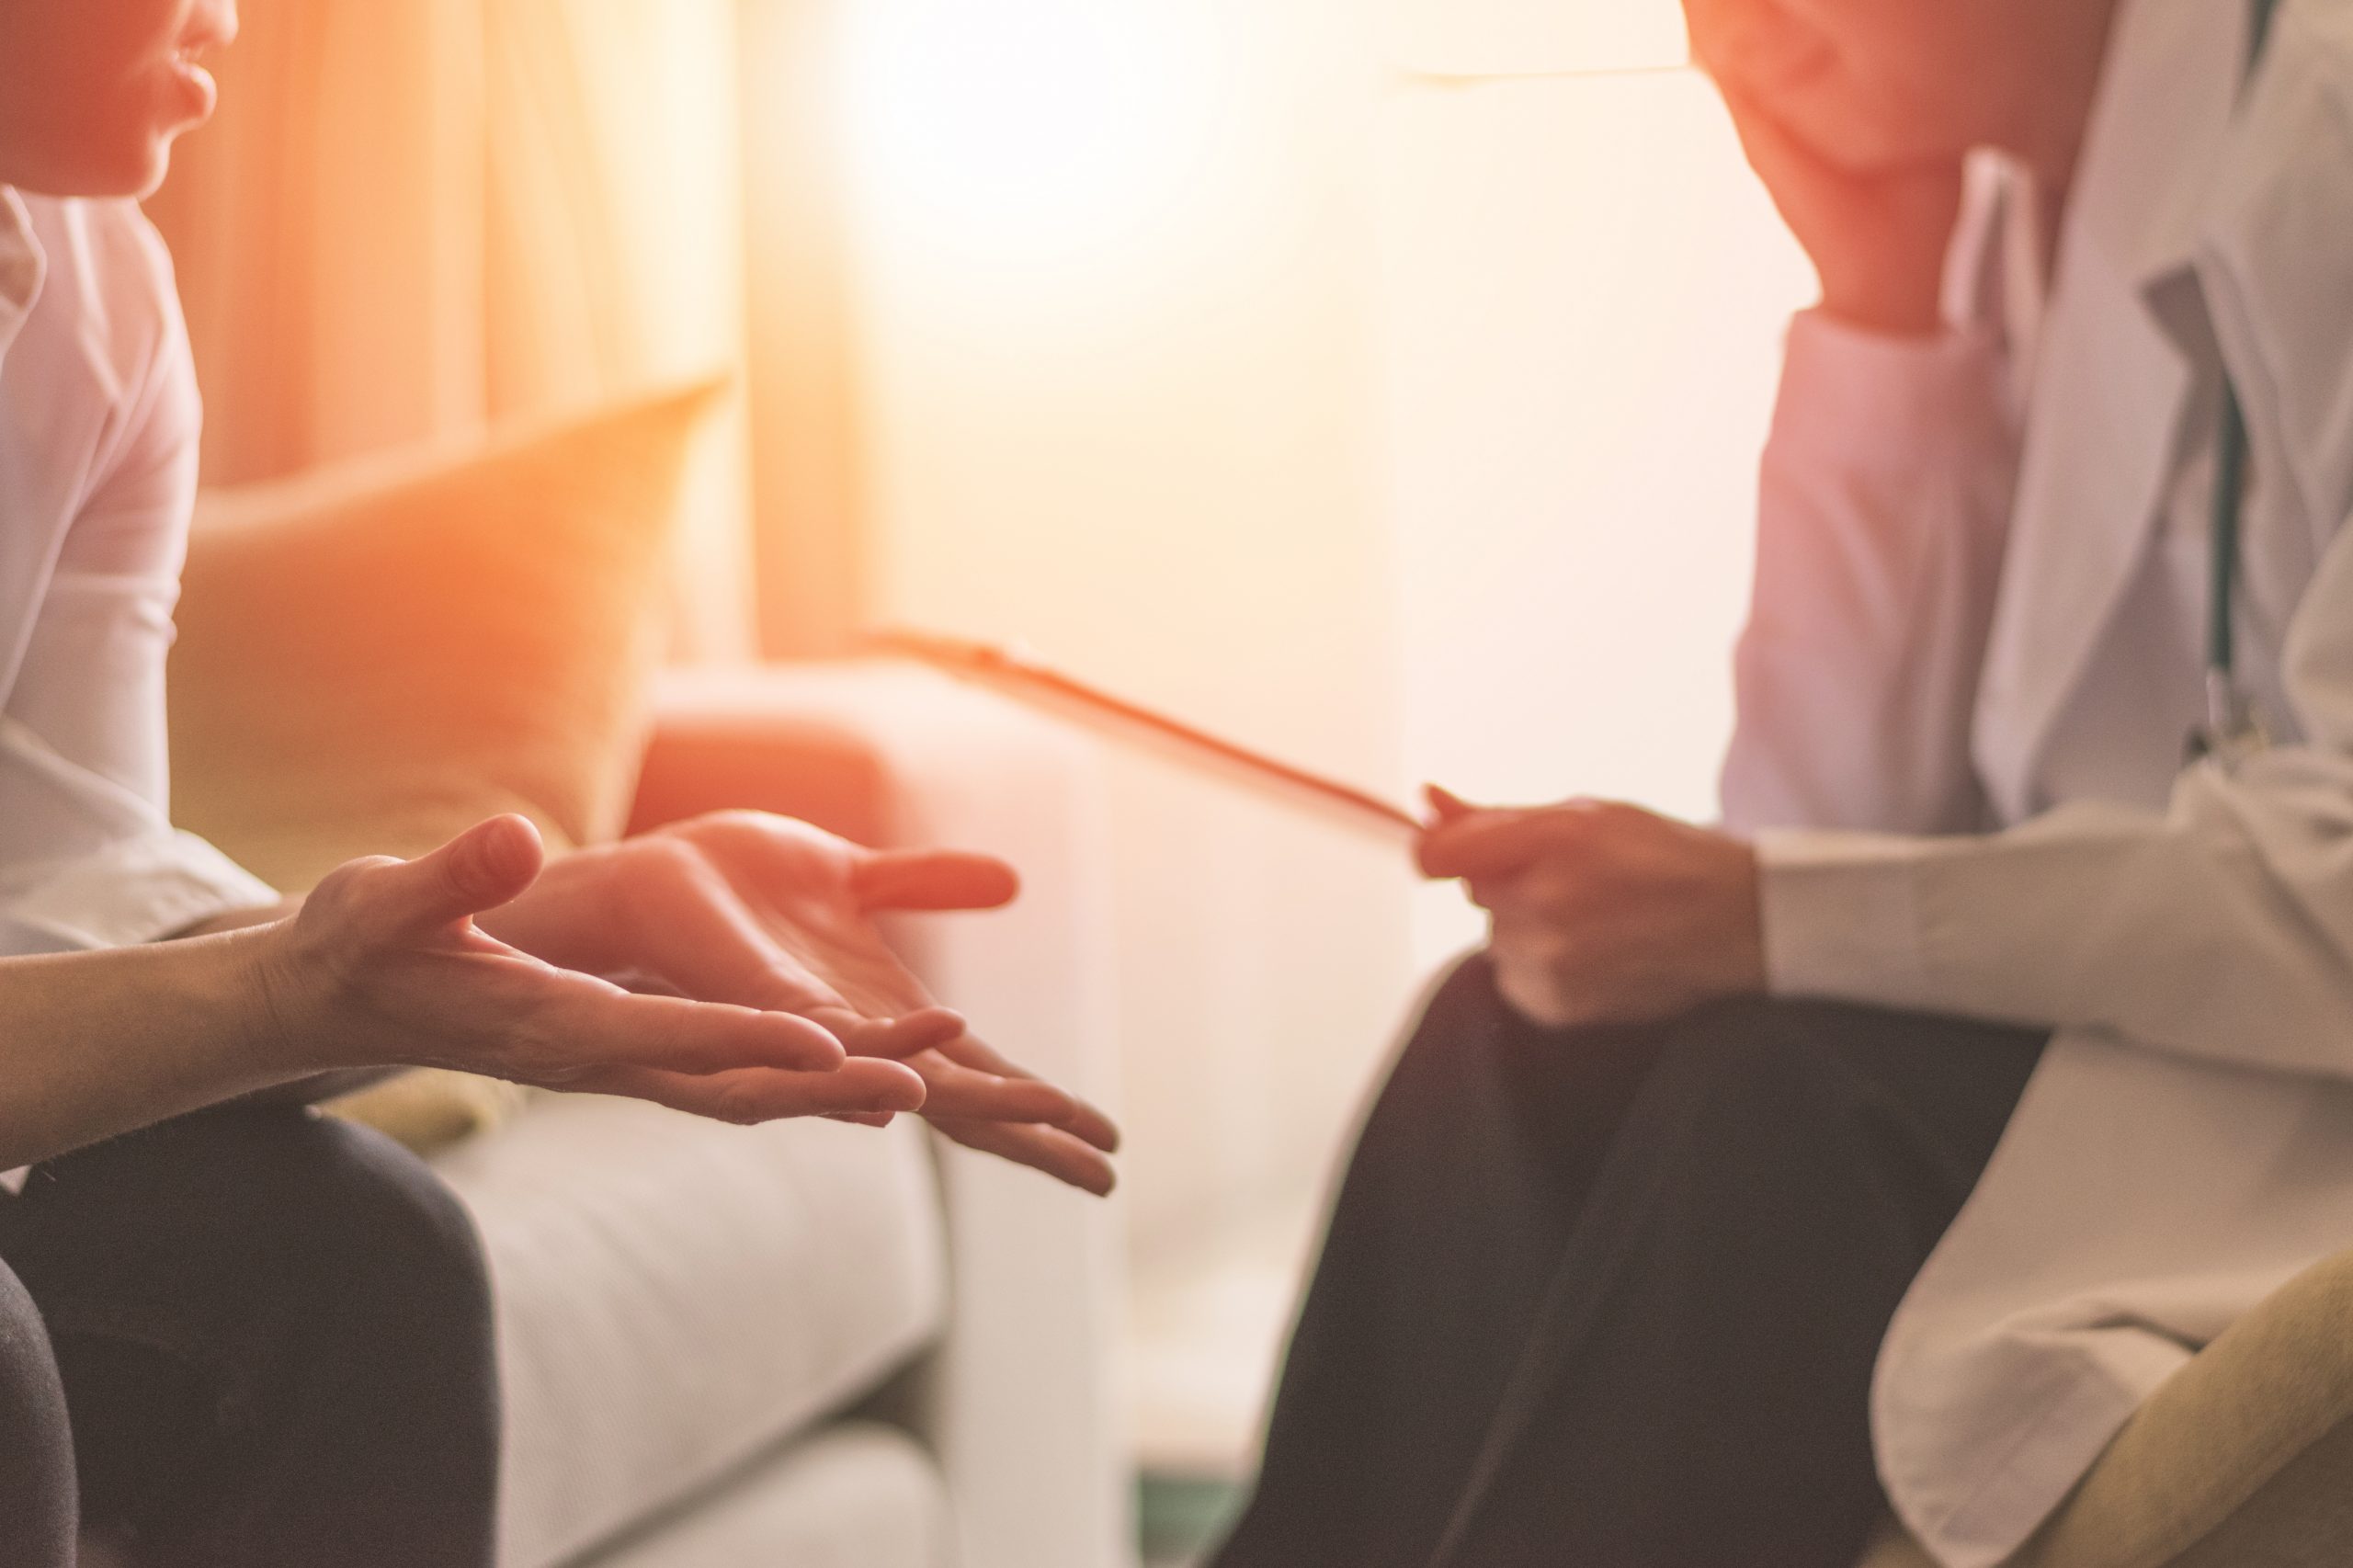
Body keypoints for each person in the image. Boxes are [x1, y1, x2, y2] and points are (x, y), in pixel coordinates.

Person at [1215, 0, 2353, 1564]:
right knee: (1506, 1031)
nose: (1733, 33)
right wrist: (1877, 314)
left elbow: (2337, 889)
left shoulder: (2325, 128)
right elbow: (1831, 822)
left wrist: (1767, 913)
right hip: (2128, 1053)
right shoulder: (2003, 192)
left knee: (1773, 1107)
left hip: (2294, 1111)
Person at [0, 3, 1117, 1563]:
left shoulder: (95, 289)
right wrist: (286, 996)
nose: (228, 18)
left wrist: (585, 909)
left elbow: (59, 907)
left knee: (349, 1251)